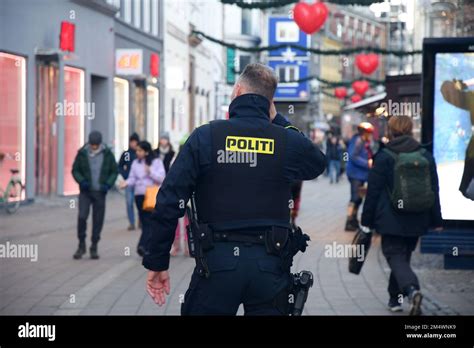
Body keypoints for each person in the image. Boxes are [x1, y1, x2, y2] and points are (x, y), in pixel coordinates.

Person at [143, 63, 326, 315]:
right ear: (270, 103)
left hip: (216, 265)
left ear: (237, 90)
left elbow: (169, 200)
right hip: (270, 267)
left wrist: (157, 261)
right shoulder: (286, 140)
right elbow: (318, 162)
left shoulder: (205, 137)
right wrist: (279, 121)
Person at [361, 116, 443, 316]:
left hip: (391, 219)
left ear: (391, 130)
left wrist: (366, 222)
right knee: (402, 257)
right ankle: (394, 299)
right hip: (418, 217)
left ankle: (412, 289)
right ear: (410, 129)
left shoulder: (385, 156)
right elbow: (434, 189)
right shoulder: (425, 154)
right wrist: (437, 220)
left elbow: (373, 192)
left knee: (395, 255)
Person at [72, 131, 118, 260]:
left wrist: (108, 184)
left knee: (98, 220)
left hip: (100, 192)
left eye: (96, 145)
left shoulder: (108, 154)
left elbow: (114, 171)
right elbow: (75, 170)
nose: (94, 147)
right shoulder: (82, 153)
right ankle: (81, 245)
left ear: (100, 144)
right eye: (92, 145)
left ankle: (94, 246)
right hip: (85, 192)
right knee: (82, 216)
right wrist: (81, 181)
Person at [120, 141, 165, 257]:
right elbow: (132, 178)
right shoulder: (135, 163)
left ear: (146, 151)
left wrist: (150, 172)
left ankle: (143, 246)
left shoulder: (156, 162)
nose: (138, 152)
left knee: (149, 221)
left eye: (140, 150)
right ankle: (146, 247)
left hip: (151, 195)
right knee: (145, 221)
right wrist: (126, 183)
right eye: (137, 150)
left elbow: (162, 178)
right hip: (139, 195)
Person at [345, 122, 374, 231]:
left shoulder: (363, 141)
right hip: (355, 174)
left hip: (360, 174)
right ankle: (349, 221)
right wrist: (368, 163)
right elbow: (353, 156)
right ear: (365, 132)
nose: (370, 135)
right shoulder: (358, 140)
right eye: (369, 133)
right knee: (355, 198)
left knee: (358, 198)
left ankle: (353, 220)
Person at [118, 133, 140, 231]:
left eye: (135, 142)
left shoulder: (140, 153)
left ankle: (141, 221)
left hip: (140, 183)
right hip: (128, 182)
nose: (133, 144)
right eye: (132, 142)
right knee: (129, 202)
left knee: (140, 203)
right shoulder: (126, 154)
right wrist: (125, 175)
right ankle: (131, 222)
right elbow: (120, 166)